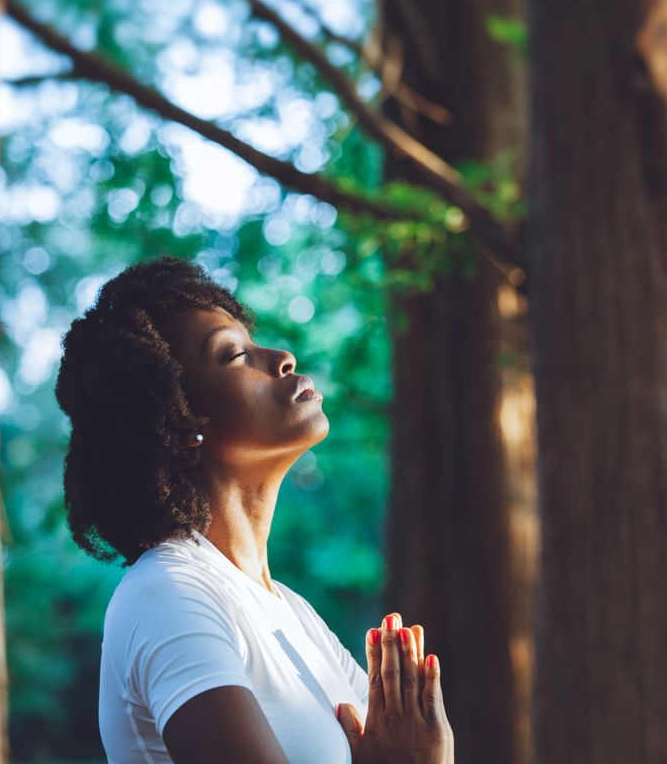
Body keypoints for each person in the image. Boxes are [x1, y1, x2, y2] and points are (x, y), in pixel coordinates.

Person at [55, 255, 454, 763]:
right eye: (234, 355)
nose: (283, 356)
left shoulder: (291, 612)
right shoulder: (167, 594)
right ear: (178, 423)